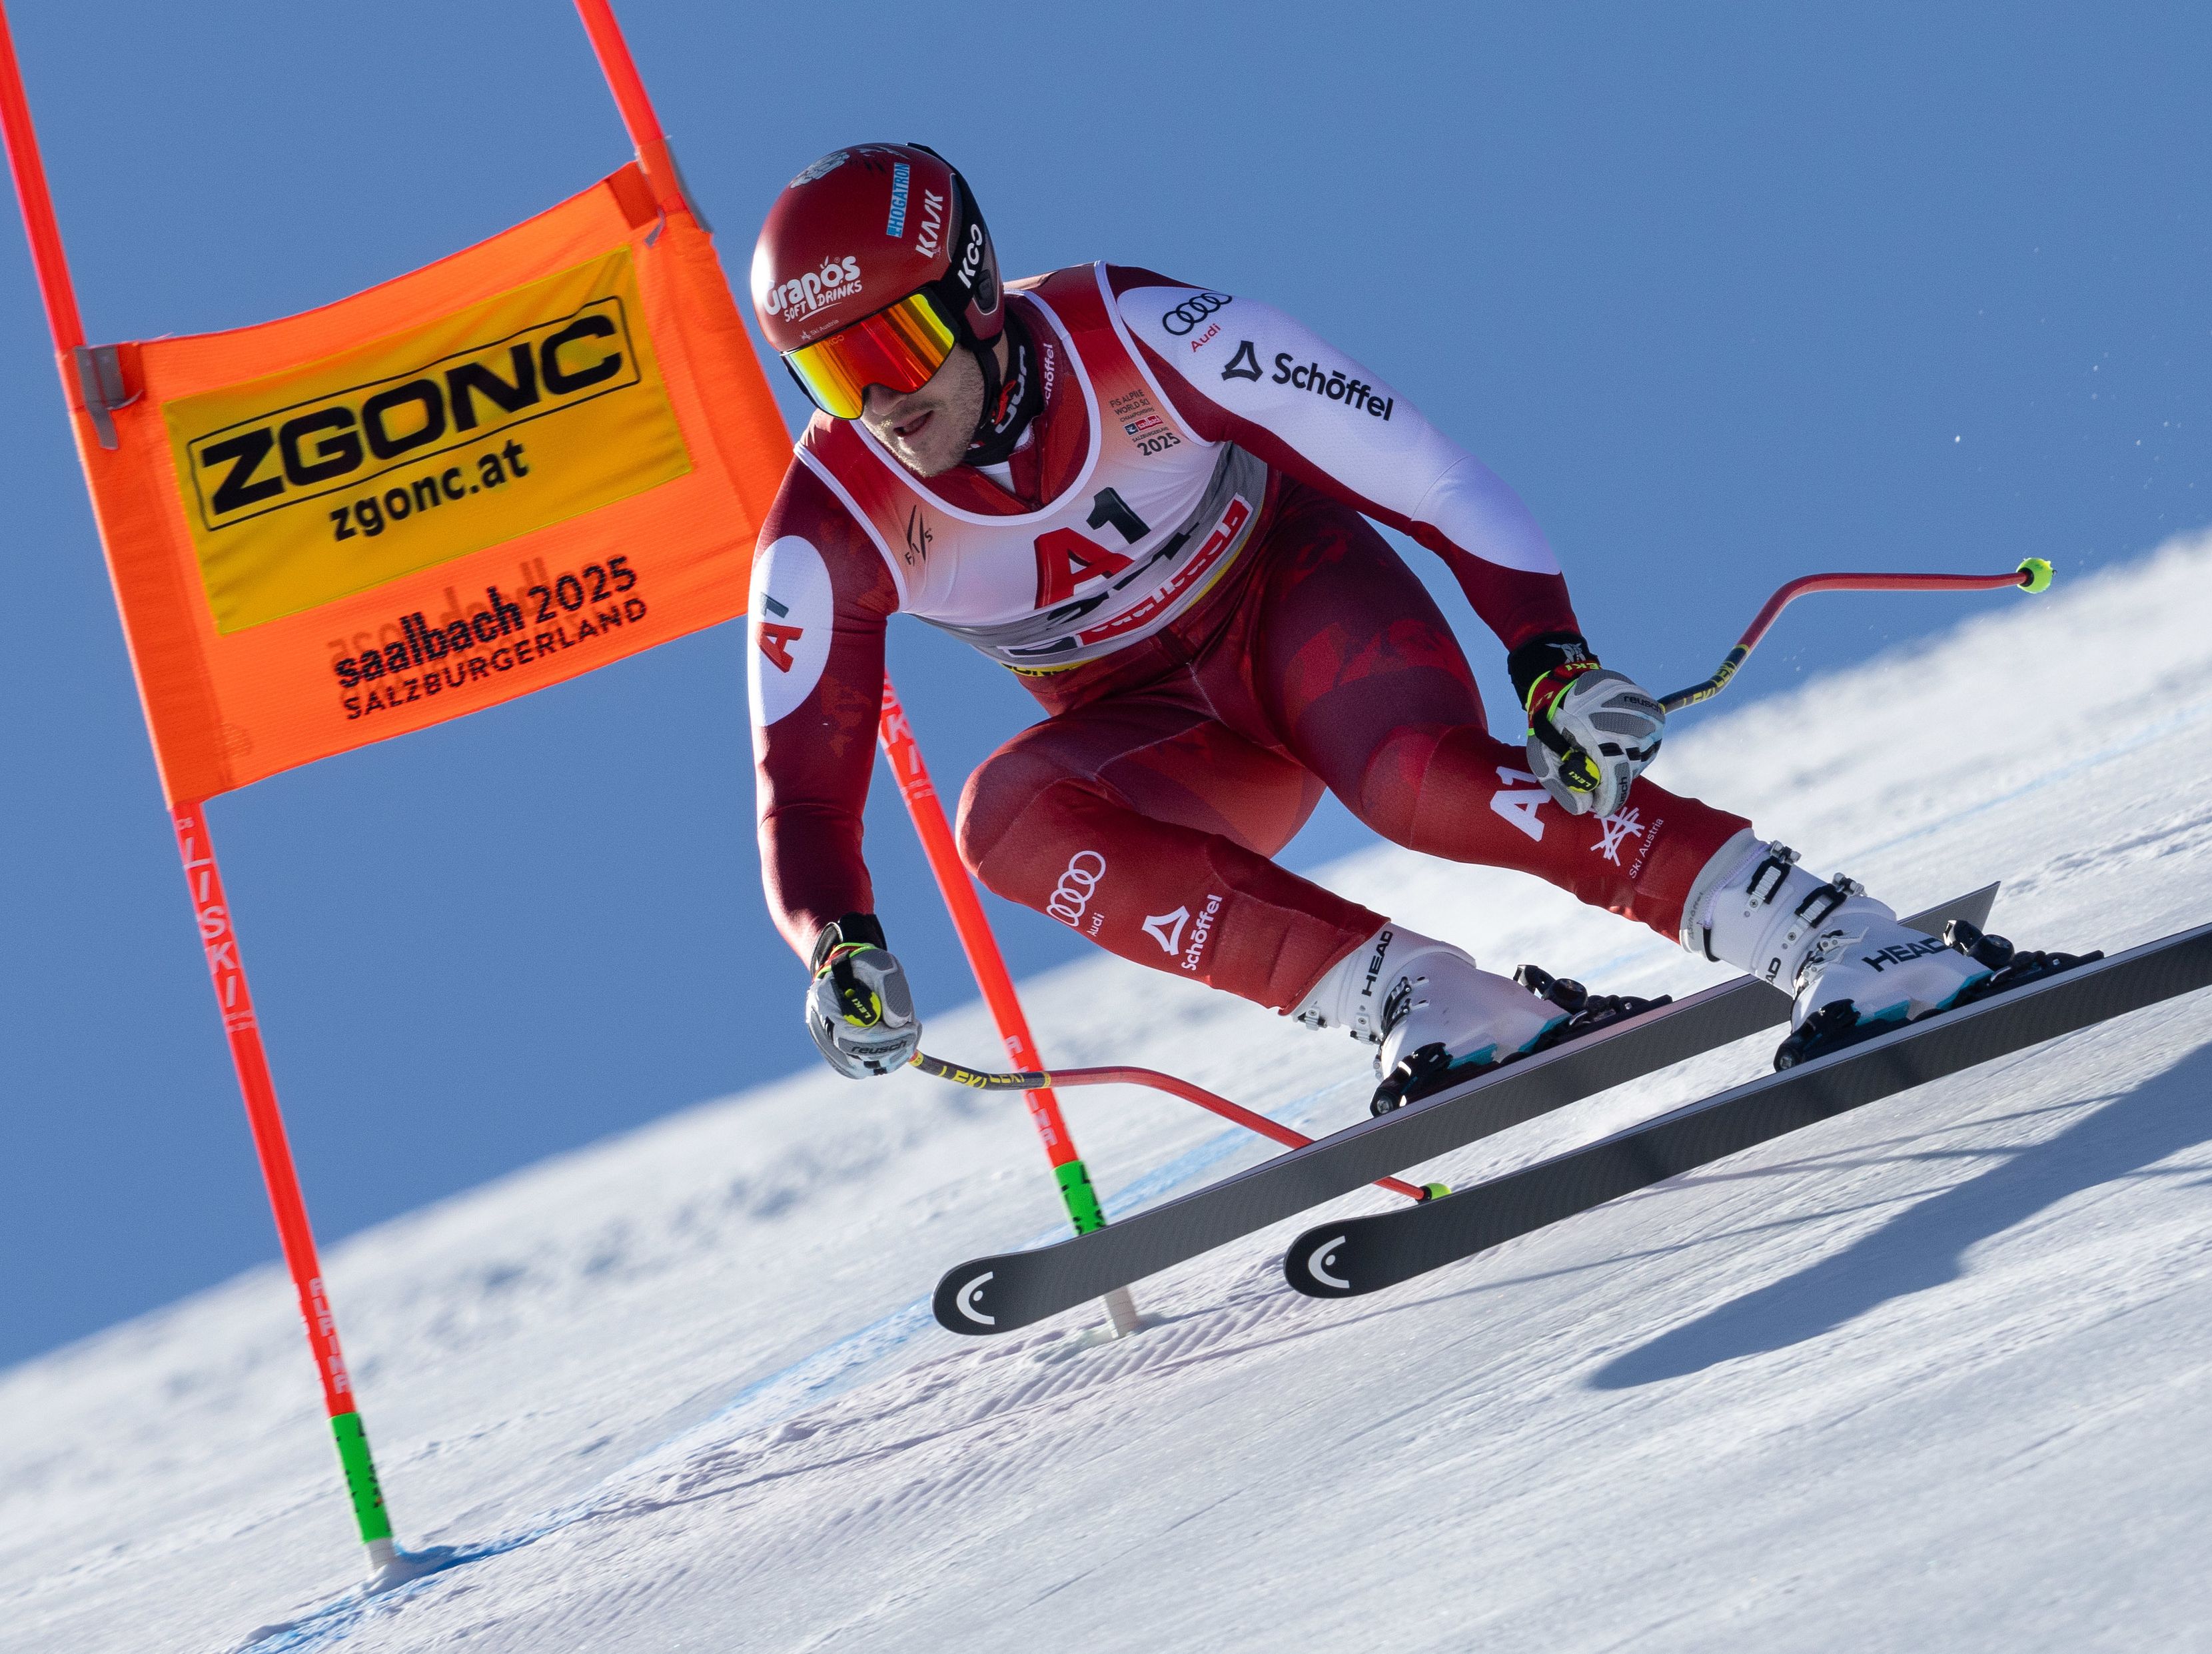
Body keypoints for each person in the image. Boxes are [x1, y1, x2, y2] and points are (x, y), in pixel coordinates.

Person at [748, 143, 1991, 1101]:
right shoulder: (831, 523)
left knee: (1413, 783)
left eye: (891, 348)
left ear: (972, 297)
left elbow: (1433, 479)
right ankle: (1434, 1000)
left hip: (1307, 620)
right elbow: (800, 790)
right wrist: (835, 944)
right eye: (826, 375)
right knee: (1004, 824)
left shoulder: (1148, 336)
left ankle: (1841, 937)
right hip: (1173, 740)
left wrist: (1549, 661)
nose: (880, 404)